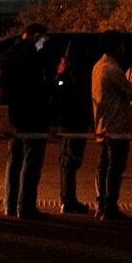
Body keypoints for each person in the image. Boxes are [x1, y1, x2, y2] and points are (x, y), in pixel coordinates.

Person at [1, 23, 51, 219]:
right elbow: (39, 86)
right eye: (42, 40)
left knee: (14, 161)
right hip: (33, 115)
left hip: (15, 114)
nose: (43, 44)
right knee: (31, 162)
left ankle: (10, 205)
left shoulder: (9, 55)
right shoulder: (32, 55)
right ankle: (26, 206)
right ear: (33, 36)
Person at [91, 31, 132, 221]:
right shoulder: (112, 69)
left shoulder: (97, 67)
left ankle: (101, 203)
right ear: (117, 46)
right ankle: (110, 207)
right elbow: (131, 92)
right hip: (116, 125)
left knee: (103, 166)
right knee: (114, 167)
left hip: (102, 123)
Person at [52, 40, 92, 215]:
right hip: (72, 123)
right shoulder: (73, 76)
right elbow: (63, 97)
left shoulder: (67, 75)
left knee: (70, 162)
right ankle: (68, 200)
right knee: (69, 162)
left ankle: (69, 199)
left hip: (71, 122)